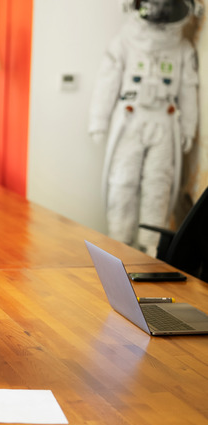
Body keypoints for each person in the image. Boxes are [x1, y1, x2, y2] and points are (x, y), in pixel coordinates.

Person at [89, 0, 199, 255]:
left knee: (158, 184)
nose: (160, 11)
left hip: (164, 119)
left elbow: (188, 88)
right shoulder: (124, 42)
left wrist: (188, 128)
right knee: (122, 181)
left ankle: (151, 247)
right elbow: (107, 81)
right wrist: (98, 120)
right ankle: (119, 240)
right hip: (131, 117)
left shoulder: (182, 48)